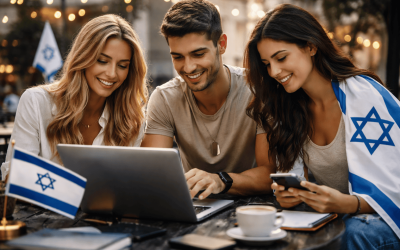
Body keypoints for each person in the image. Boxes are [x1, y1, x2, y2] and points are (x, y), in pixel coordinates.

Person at [244, 4, 400, 250]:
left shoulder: (363, 96)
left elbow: (394, 188)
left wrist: (349, 204)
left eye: (281, 58)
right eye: (266, 63)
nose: (274, 71)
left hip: (383, 223)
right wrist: (290, 197)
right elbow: (297, 179)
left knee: (356, 232)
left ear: (311, 46)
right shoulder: (288, 108)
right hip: (341, 216)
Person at [141, 0, 275, 200]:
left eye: (198, 54)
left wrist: (220, 180)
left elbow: (270, 174)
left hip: (253, 208)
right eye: (178, 57)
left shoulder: (258, 90)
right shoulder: (164, 98)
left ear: (221, 45)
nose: (188, 67)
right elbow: (152, 175)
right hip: (196, 208)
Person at [1, 14, 148, 179]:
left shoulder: (131, 122)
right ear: (84, 57)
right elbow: (16, 178)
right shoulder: (36, 102)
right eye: (102, 61)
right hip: (43, 205)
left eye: (122, 65)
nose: (112, 73)